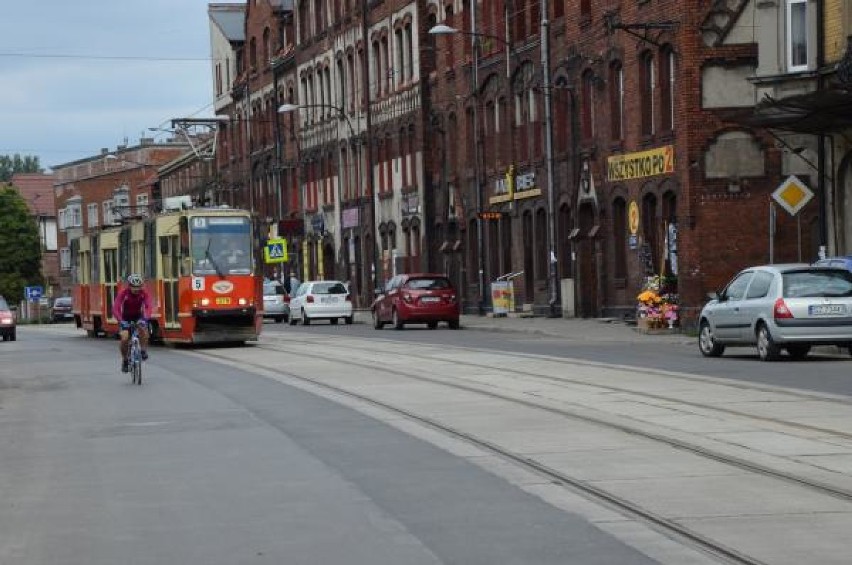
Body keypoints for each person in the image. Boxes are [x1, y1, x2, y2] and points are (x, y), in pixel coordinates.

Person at [112, 273, 153, 373]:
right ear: (129, 286)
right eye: (134, 287)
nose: (136, 289)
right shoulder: (123, 293)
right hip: (125, 318)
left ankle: (143, 350)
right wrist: (121, 321)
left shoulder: (144, 293)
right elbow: (116, 308)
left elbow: (149, 306)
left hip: (138, 316)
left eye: (138, 286)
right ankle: (125, 360)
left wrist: (145, 318)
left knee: (143, 329)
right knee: (125, 338)